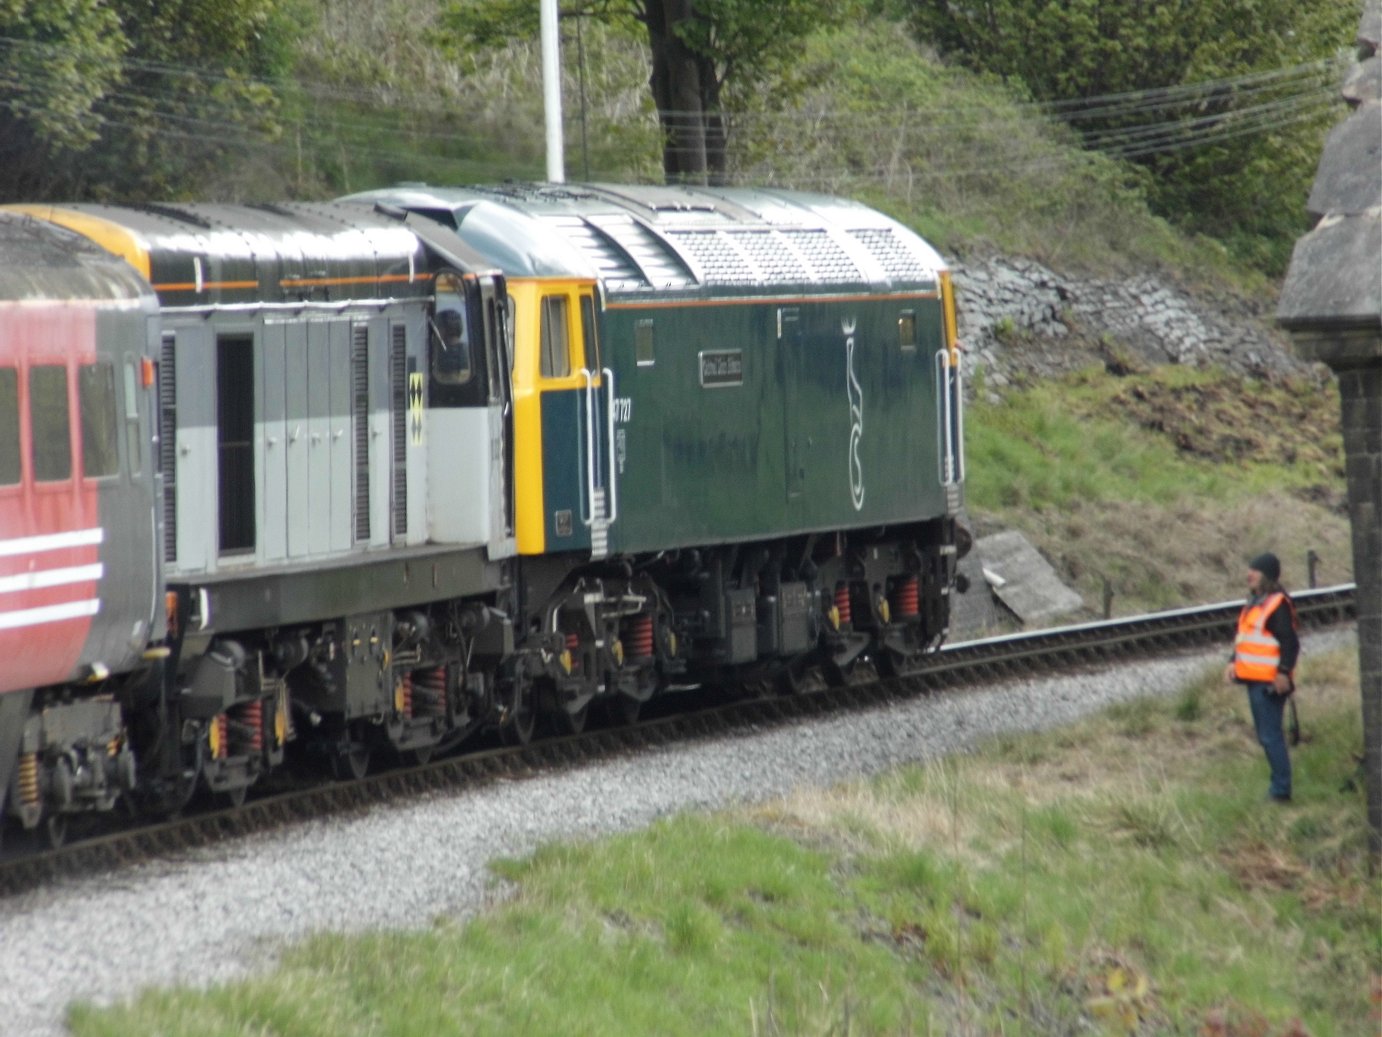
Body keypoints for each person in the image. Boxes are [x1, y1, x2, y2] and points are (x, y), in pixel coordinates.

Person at [1224, 552, 1300, 803]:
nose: (1249, 575)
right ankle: (1279, 787)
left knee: (1270, 736)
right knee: (1266, 735)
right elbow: (1245, 638)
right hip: (1254, 678)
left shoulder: (1276, 603)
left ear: (1266, 575)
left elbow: (1290, 642)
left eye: (1254, 571)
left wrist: (1283, 672)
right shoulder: (1256, 602)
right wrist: (1232, 661)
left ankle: (1280, 792)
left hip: (1269, 682)